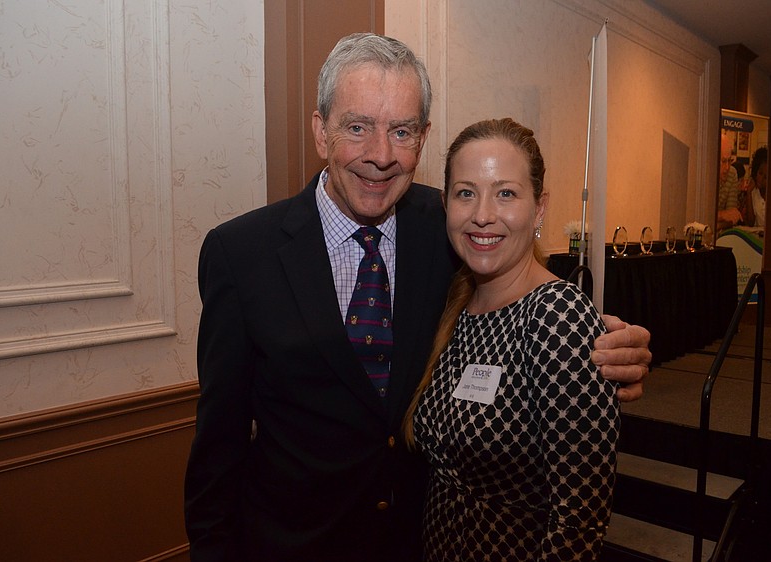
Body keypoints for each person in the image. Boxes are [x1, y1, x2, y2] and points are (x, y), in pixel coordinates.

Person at [184, 33, 650, 562]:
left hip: (419, 544)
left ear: (423, 138)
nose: (380, 156)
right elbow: (216, 449)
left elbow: (526, 291)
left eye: (401, 131)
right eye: (357, 127)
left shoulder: (451, 227)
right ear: (321, 131)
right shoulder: (241, 254)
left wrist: (606, 350)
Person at [405, 118, 618, 561]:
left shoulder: (556, 315)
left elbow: (579, 521)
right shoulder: (457, 305)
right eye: (466, 193)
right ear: (445, 204)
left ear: (539, 208)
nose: (483, 213)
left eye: (506, 193)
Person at [717, 131, 743, 230]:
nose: (727, 167)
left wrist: (713, 225)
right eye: (723, 161)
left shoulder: (732, 173)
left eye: (729, 161)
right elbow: (698, 217)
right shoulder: (705, 176)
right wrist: (722, 215)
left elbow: (732, 219)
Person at [739, 146, 767, 228]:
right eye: (760, 173)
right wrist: (748, 193)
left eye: (765, 177)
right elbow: (751, 222)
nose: (761, 179)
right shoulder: (754, 192)